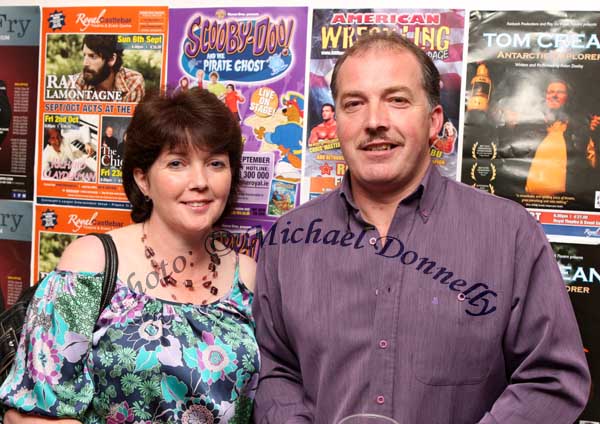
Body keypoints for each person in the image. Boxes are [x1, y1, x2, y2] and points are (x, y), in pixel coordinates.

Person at [252, 32, 590, 423]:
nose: (375, 122)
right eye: (354, 104)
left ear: (433, 121)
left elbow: (552, 378)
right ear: (337, 121)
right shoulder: (287, 241)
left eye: (397, 100)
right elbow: (274, 369)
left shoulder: (509, 234)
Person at [0, 88, 259, 423]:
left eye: (215, 164)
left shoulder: (248, 275)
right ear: (143, 179)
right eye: (177, 163)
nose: (200, 181)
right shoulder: (93, 262)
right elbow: (28, 415)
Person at [496, 79, 599, 202]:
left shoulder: (580, 131)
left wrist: (595, 133)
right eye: (550, 92)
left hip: (565, 203)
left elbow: (594, 165)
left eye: (560, 92)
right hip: (527, 201)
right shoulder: (530, 126)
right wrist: (509, 125)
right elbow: (504, 154)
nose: (554, 95)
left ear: (568, 98)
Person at [68, 34, 145, 103]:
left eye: (93, 56)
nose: (85, 63)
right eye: (84, 55)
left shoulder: (133, 82)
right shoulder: (75, 83)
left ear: (111, 59)